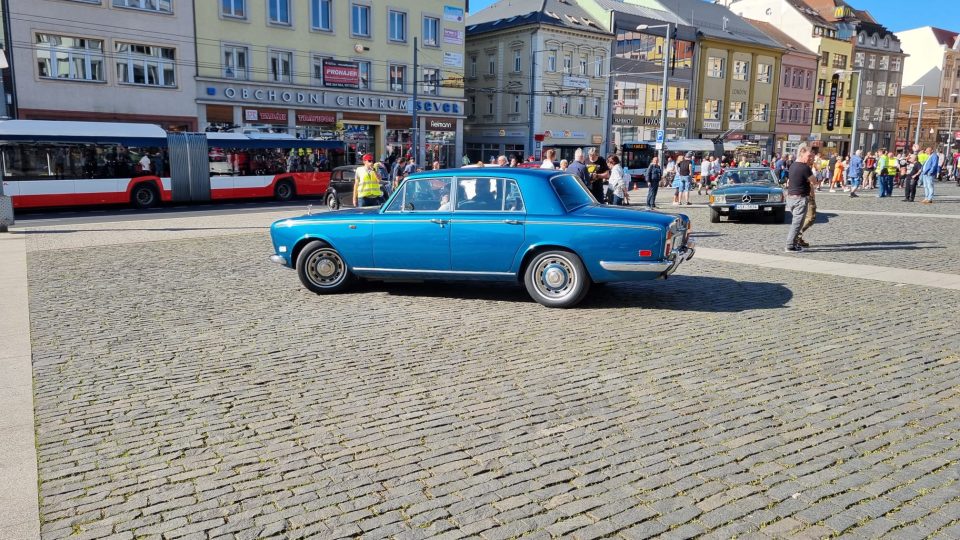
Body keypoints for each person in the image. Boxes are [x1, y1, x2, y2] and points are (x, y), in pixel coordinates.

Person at [785, 143, 816, 253]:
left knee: (797, 222)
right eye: (809, 156)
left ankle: (794, 243)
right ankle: (790, 245)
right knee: (797, 223)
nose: (810, 158)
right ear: (802, 152)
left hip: (790, 198)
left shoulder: (793, 165)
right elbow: (814, 181)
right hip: (799, 199)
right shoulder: (804, 167)